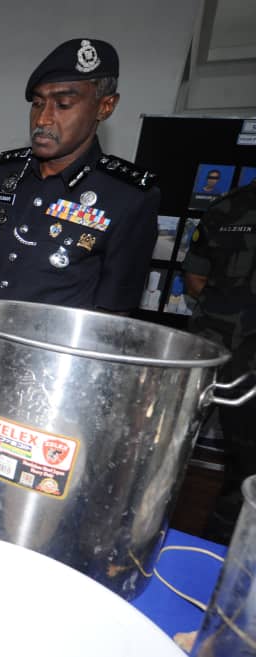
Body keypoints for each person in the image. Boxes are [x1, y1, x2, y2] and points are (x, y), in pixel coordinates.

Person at [0, 38, 159, 311]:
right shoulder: (1, 173)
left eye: (63, 105)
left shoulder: (128, 197)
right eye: (38, 103)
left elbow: (114, 312)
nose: (42, 119)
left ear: (105, 106)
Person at [183, 179, 256, 544]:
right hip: (210, 350)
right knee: (165, 445)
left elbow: (196, 279)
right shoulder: (227, 207)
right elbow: (194, 276)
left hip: (219, 349)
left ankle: (222, 549)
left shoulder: (227, 204)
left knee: (247, 471)